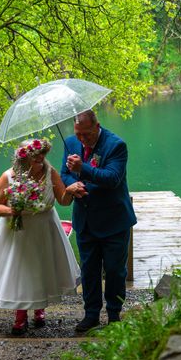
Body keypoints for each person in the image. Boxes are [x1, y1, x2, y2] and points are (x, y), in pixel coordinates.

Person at [0, 138, 80, 335]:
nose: (40, 158)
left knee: (42, 267)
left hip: (46, 227)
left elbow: (63, 201)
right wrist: (14, 210)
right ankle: (20, 317)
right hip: (17, 232)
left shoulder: (50, 172)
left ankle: (40, 310)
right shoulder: (8, 177)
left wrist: (70, 190)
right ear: (23, 158)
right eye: (34, 156)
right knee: (20, 270)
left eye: (41, 155)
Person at [61, 109, 137, 332]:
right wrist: (71, 184)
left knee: (115, 270)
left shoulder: (116, 145)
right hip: (85, 219)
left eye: (86, 134)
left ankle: (114, 315)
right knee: (89, 270)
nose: (82, 139)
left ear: (97, 126)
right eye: (78, 134)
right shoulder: (70, 143)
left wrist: (81, 169)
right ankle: (91, 314)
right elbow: (63, 174)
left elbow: (112, 178)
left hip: (114, 220)